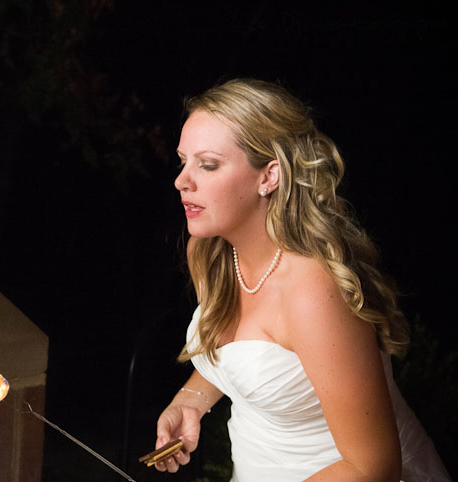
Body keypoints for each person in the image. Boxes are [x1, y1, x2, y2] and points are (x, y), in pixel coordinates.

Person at [154, 79, 451, 481]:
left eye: (207, 164)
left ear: (269, 176)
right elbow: (237, 355)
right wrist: (189, 402)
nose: (182, 180)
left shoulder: (314, 293)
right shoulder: (209, 252)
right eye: (183, 161)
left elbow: (374, 467)